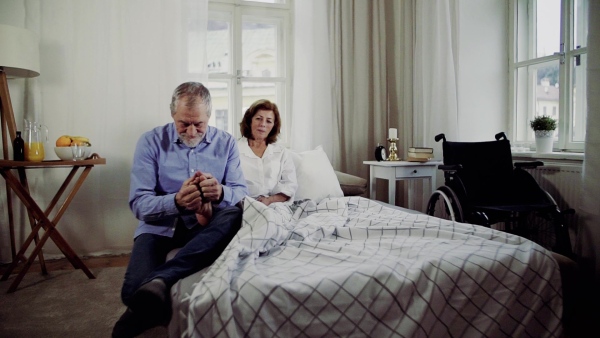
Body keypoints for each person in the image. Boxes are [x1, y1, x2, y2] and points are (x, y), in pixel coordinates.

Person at [112, 82, 248, 337]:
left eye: (200, 124)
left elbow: (241, 193)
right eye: (184, 123)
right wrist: (175, 201)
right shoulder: (150, 141)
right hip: (160, 226)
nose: (193, 130)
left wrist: (220, 193)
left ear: (209, 116)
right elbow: (139, 204)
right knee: (131, 292)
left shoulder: (226, 143)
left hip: (205, 225)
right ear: (172, 114)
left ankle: (161, 280)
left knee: (235, 214)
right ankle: (155, 295)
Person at [237, 99, 297, 205]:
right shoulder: (234, 149)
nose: (263, 124)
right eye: (258, 119)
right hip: (243, 205)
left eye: (268, 121)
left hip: (275, 205)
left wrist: (270, 200)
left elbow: (290, 186)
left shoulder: (281, 152)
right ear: (249, 121)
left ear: (274, 126)